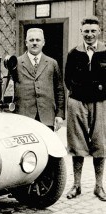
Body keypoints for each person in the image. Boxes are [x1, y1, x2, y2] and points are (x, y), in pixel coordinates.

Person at [65, 16, 106, 201]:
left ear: (99, 32)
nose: (89, 34)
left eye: (93, 31)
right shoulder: (74, 53)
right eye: (86, 31)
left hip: (100, 102)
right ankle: (77, 185)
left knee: (100, 143)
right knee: (77, 143)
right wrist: (77, 92)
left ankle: (99, 186)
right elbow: (67, 79)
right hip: (77, 101)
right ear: (81, 32)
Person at [13, 28, 65, 131]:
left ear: (43, 42)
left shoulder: (52, 63)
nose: (35, 43)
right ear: (26, 43)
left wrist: (59, 114)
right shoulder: (16, 62)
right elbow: (9, 88)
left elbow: (59, 90)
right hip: (23, 116)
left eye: (38, 40)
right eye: (31, 40)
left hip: (46, 117)